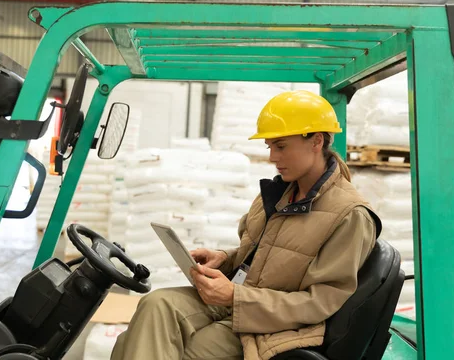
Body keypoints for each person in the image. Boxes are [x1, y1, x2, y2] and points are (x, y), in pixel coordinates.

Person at [110, 90, 382, 360]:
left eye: (281, 146)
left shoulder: (349, 215)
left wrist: (235, 297)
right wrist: (225, 259)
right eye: (270, 147)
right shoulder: (282, 194)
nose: (273, 157)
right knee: (154, 305)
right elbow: (267, 254)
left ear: (316, 141)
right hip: (242, 300)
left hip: (276, 326)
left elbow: (320, 303)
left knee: (164, 350)